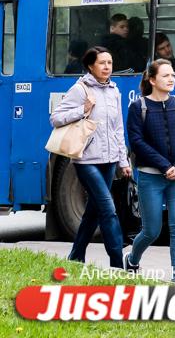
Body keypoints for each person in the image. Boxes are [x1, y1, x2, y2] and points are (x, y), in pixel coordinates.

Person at [49, 46, 132, 269]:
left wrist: (123, 161)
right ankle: (118, 265)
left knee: (94, 209)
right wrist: (82, 110)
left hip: (110, 160)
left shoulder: (114, 90)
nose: (107, 67)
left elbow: (117, 128)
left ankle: (76, 256)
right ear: (90, 66)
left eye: (110, 63)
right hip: (86, 159)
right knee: (108, 208)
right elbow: (55, 119)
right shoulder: (80, 89)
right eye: (102, 63)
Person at [124, 59, 175, 283]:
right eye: (165, 76)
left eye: (173, 75)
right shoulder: (138, 107)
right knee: (152, 229)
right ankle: (132, 259)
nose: (171, 79)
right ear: (152, 80)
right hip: (149, 176)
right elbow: (136, 142)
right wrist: (165, 166)